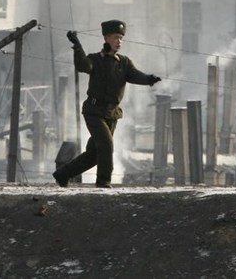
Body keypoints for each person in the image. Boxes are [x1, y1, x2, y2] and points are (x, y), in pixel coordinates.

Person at [53, 20, 161, 188]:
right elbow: (83, 66)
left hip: (111, 113)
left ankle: (63, 174)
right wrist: (77, 46)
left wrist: (149, 79)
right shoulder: (95, 59)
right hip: (94, 111)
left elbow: (134, 75)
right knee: (106, 144)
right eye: (115, 37)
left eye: (121, 38)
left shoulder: (123, 62)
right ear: (106, 38)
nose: (119, 41)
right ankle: (103, 181)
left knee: (94, 154)